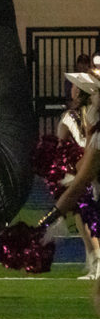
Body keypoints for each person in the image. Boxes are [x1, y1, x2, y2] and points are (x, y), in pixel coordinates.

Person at [57, 81, 100, 280]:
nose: (72, 89)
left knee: (84, 213)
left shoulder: (73, 117)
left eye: (75, 87)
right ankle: (93, 261)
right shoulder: (90, 113)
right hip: (89, 165)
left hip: (85, 167)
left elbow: (61, 145)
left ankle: (96, 261)